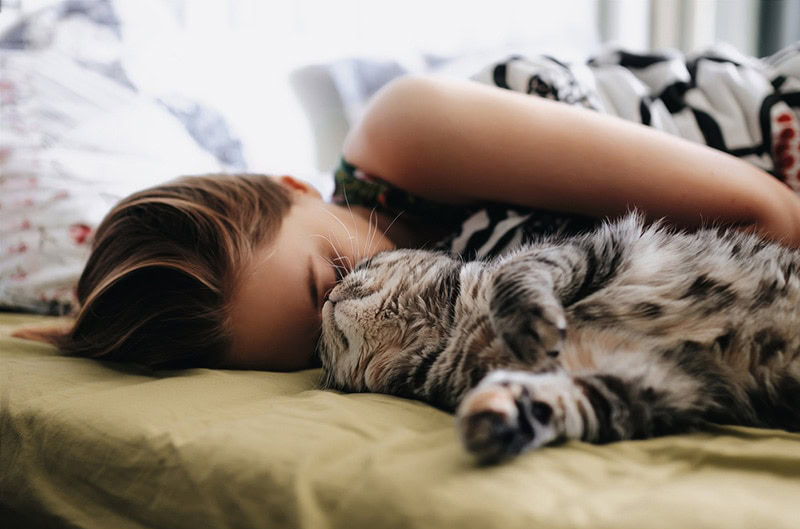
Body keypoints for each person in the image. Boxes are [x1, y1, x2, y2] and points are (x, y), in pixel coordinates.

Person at [13, 51, 800, 372]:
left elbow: (766, 217)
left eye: (335, 272)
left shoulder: (407, 135)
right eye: (320, 347)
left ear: (295, 186)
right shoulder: (431, 335)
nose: (365, 304)